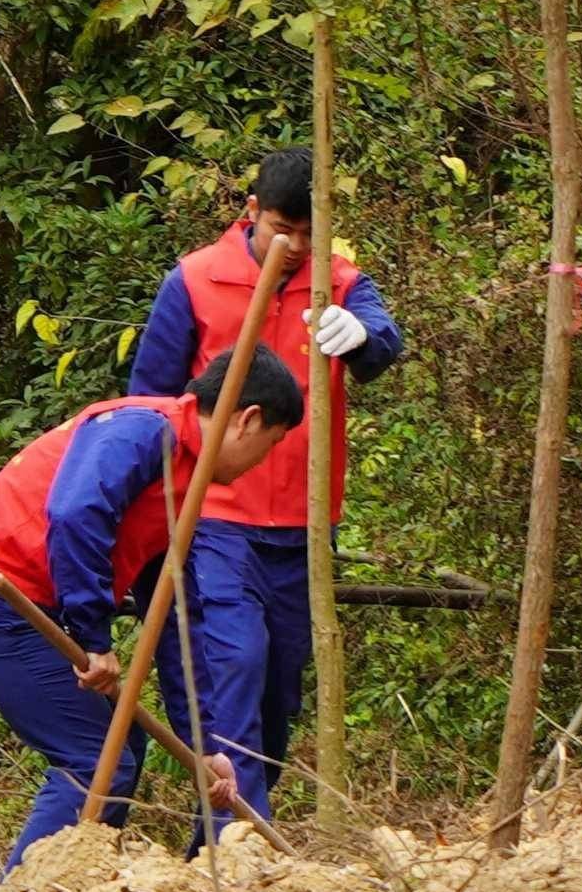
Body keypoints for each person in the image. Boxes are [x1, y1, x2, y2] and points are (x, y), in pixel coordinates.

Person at [0, 358, 308, 863]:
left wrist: (203, 745)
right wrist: (93, 637)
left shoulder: (184, 480)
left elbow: (171, 617)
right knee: (97, 756)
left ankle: (74, 891)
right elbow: (75, 514)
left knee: (120, 749)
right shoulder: (142, 430)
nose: (264, 462)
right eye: (271, 445)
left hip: (25, 606)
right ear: (247, 419)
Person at [121, 148, 400, 830]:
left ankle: (225, 833)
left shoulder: (339, 282)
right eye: (283, 228)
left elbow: (384, 344)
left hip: (303, 527)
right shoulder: (193, 280)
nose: (296, 246)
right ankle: (241, 839)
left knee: (278, 688)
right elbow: (148, 402)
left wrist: (362, 333)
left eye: (310, 232)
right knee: (234, 663)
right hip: (214, 517)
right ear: (252, 214)